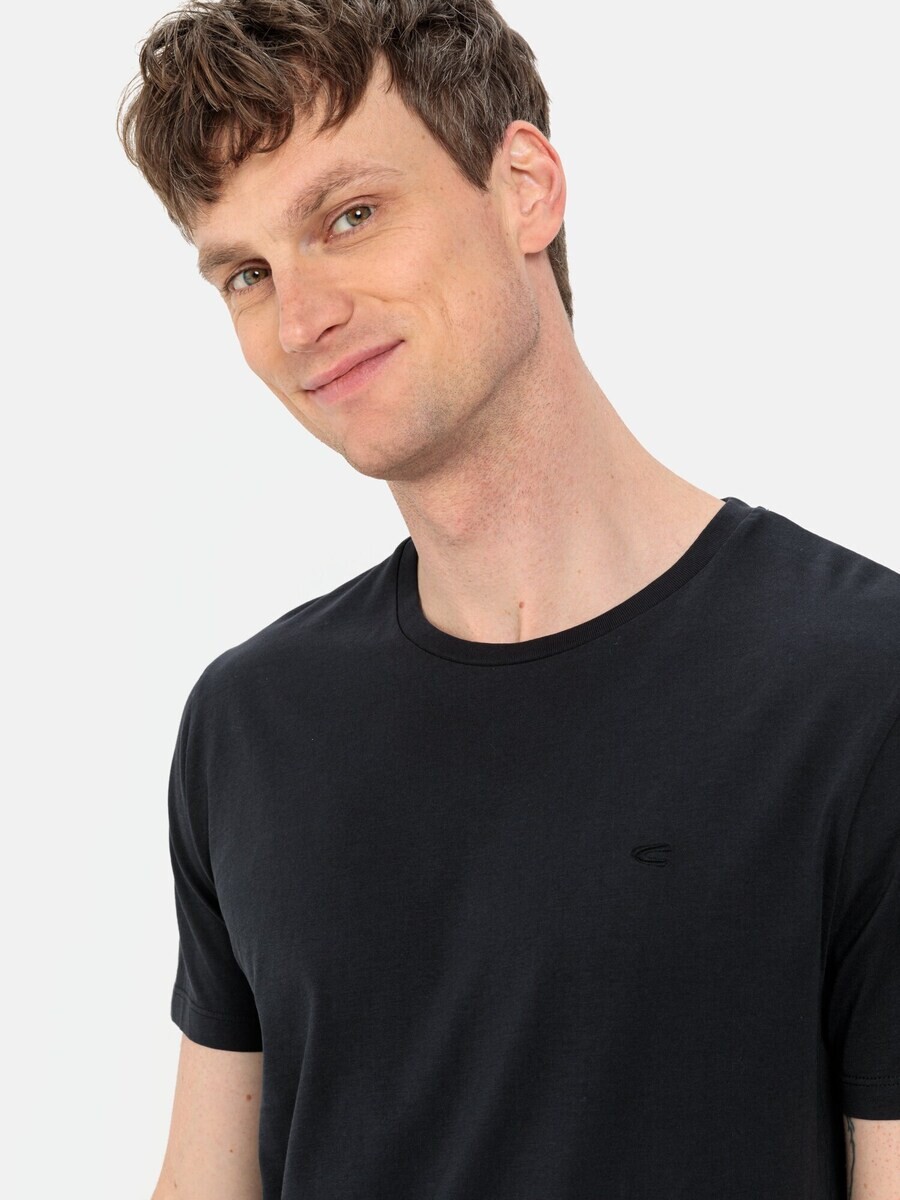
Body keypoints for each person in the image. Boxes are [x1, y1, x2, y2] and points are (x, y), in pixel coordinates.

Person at [117, 2, 900, 1196]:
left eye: (350, 215)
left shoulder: (861, 686)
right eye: (248, 273)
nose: (301, 318)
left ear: (524, 188)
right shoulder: (249, 725)